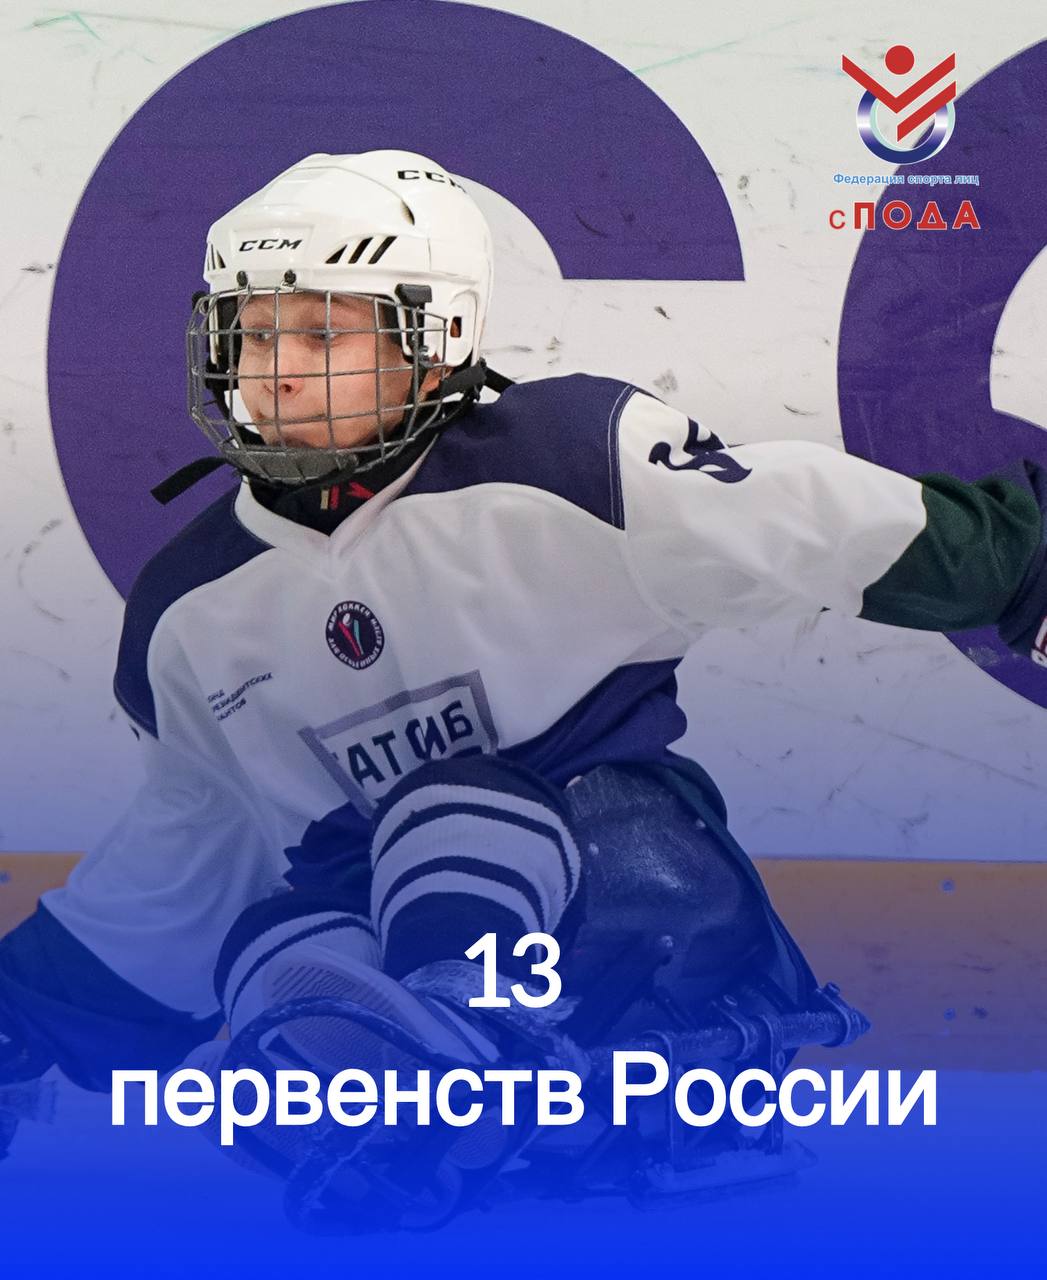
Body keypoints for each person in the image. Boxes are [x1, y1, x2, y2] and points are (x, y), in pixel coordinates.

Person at [1, 148, 1046, 1098]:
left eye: (323, 332)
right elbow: (190, 856)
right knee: (278, 945)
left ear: (438, 337)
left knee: (452, 808)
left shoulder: (568, 463)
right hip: (385, 936)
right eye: (256, 330)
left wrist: (1024, 562)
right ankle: (393, 1105)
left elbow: (806, 519)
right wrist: (19, 1019)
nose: (275, 369)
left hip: (639, 920)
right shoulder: (186, 611)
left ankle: (457, 1047)